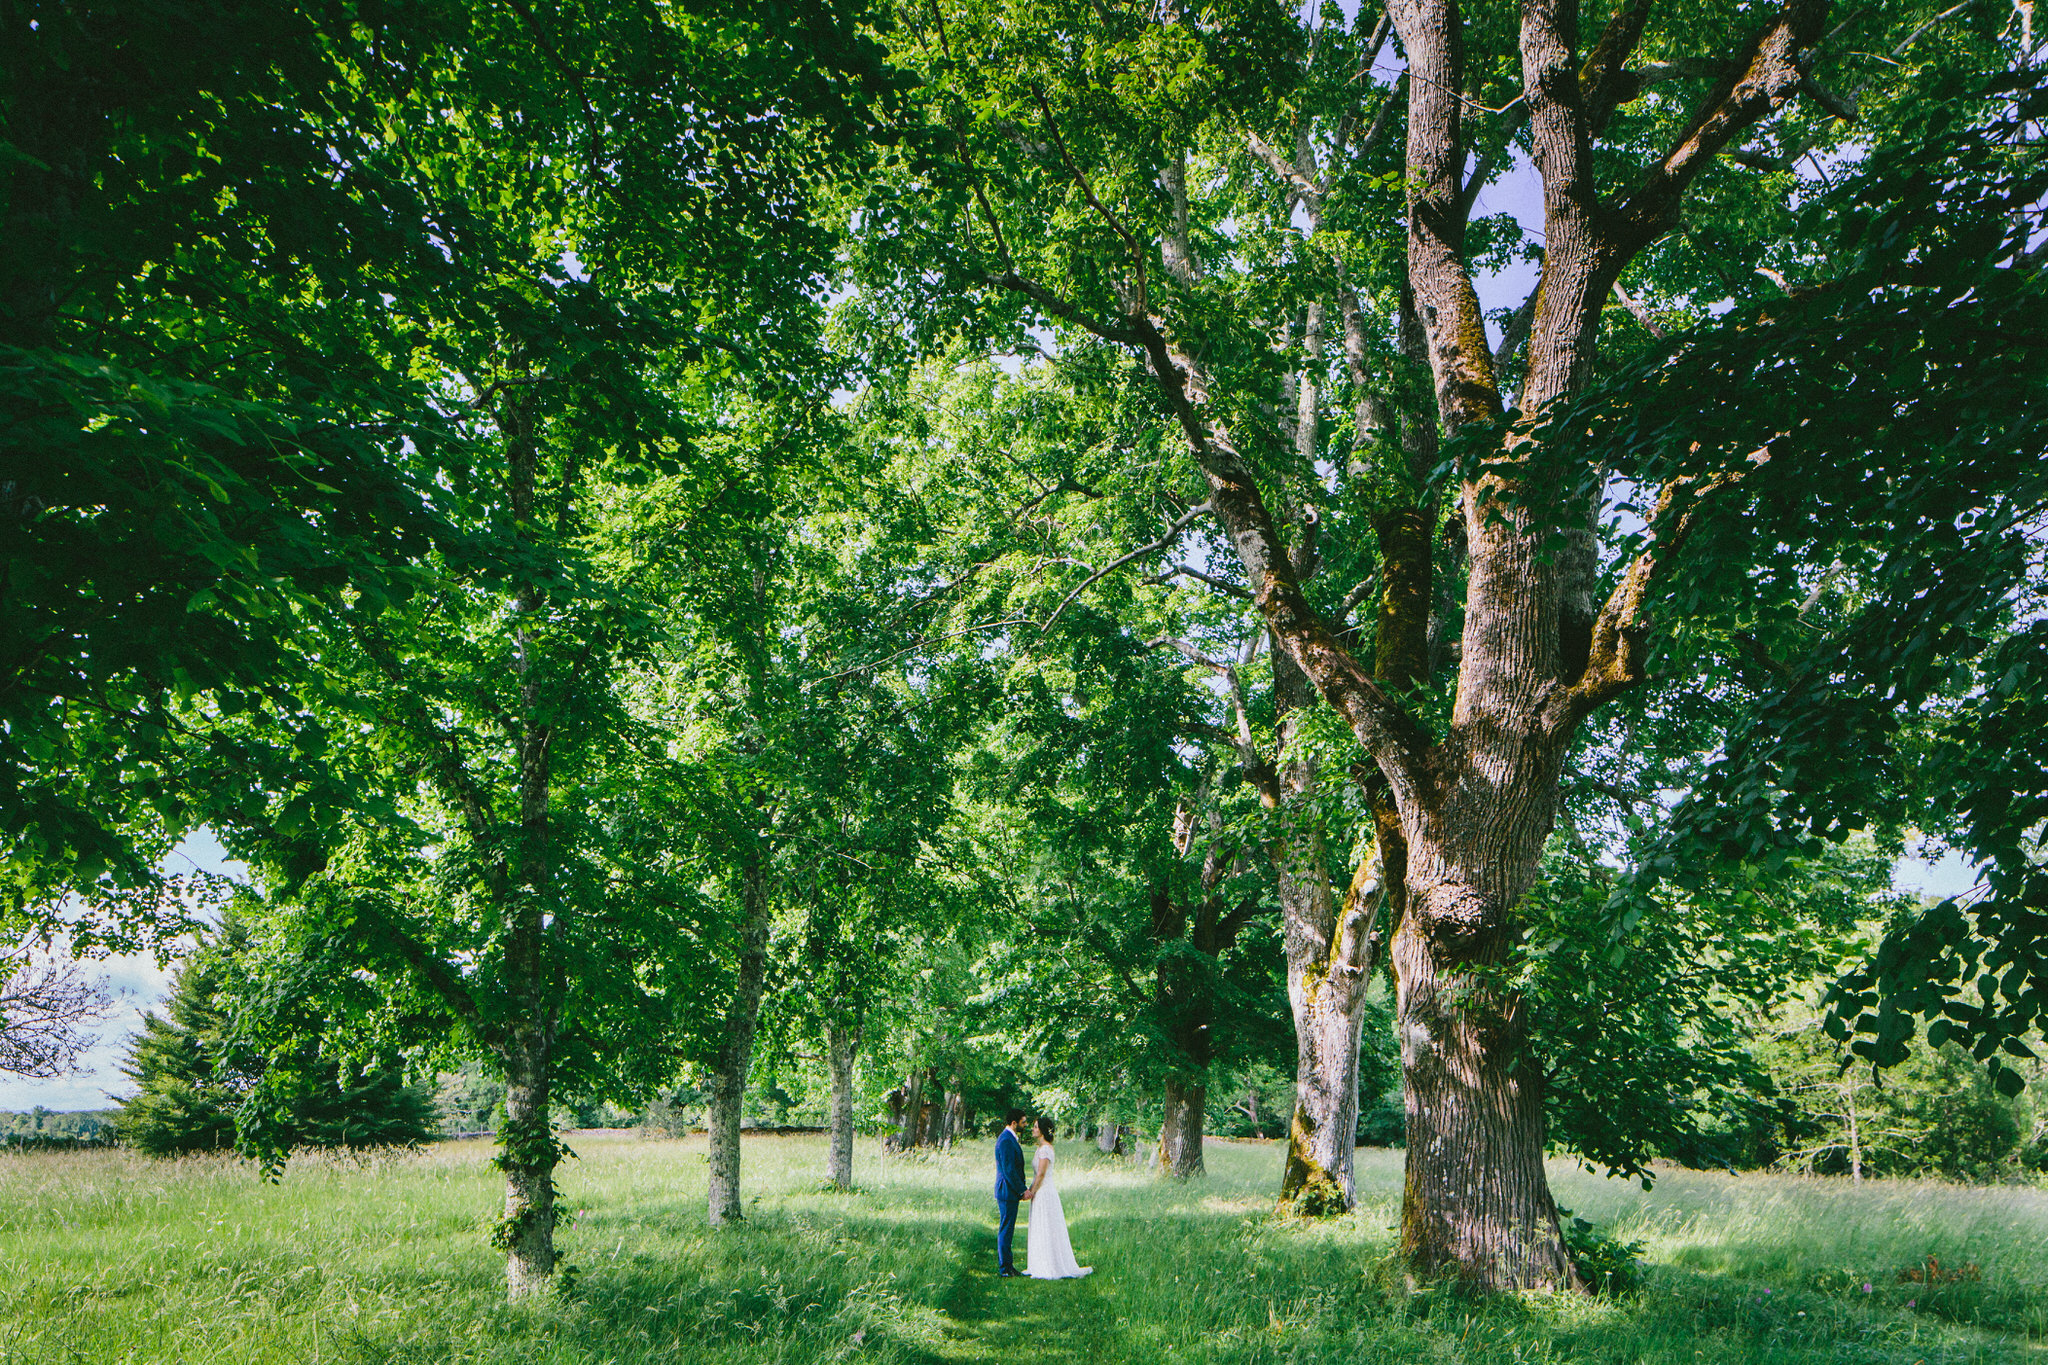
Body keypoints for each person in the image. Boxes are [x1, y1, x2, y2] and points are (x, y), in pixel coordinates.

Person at [1023, 1115, 1092, 1279]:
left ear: (1042, 1130)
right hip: (1041, 1191)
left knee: (1046, 1226)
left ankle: (1049, 1265)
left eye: (1035, 1127)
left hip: (1044, 1192)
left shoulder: (1045, 1149)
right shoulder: (1041, 1148)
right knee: (1040, 1225)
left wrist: (1031, 1191)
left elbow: (1041, 1174)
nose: (1033, 1129)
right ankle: (1038, 1263)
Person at [993, 1108, 1030, 1277]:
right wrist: (1022, 1190)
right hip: (1006, 1191)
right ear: (1014, 1123)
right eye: (1023, 1122)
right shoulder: (1006, 1140)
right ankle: (1005, 1269)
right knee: (1006, 1230)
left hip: (1008, 1191)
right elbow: (1008, 1170)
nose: (1025, 1125)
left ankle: (1008, 1266)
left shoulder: (1009, 1138)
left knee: (1007, 1229)